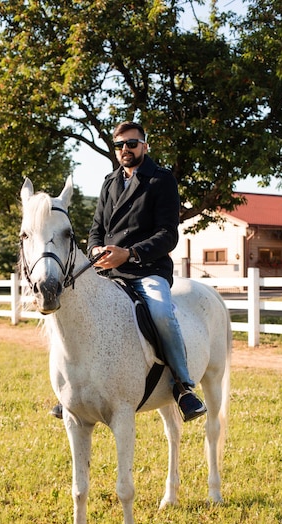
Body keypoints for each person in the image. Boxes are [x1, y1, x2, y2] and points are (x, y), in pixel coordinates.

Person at [52, 120, 206, 422]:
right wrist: (96, 249)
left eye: (132, 144)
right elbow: (96, 229)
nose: (125, 149)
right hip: (108, 271)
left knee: (161, 314)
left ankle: (182, 386)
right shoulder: (109, 182)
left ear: (144, 146)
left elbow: (168, 235)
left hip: (147, 269)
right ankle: (73, 389)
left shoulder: (161, 180)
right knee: (75, 310)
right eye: (120, 145)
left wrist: (130, 253)